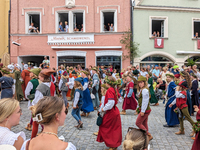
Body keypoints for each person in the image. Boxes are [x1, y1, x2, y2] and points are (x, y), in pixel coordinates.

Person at [97, 76, 122, 150]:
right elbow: (119, 99)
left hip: (111, 112)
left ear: (108, 83)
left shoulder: (110, 90)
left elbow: (111, 102)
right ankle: (114, 144)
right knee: (114, 128)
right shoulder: (114, 89)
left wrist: (102, 109)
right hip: (115, 111)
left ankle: (113, 144)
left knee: (106, 127)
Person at [31, 69, 56, 138]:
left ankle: (32, 139)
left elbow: (37, 100)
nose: (39, 77)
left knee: (35, 123)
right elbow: (54, 95)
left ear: (43, 77)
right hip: (49, 107)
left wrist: (33, 108)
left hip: (40, 109)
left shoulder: (41, 87)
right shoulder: (52, 84)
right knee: (46, 124)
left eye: (40, 75)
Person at [136, 76, 153, 141]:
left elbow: (145, 102)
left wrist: (142, 111)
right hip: (144, 109)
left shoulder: (145, 90)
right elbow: (140, 100)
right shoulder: (142, 89)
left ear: (144, 83)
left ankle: (148, 135)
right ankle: (146, 136)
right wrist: (137, 107)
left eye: (141, 82)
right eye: (139, 83)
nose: (140, 84)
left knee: (138, 123)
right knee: (144, 123)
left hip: (145, 110)